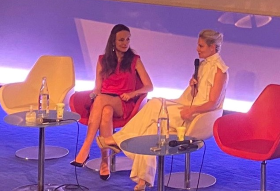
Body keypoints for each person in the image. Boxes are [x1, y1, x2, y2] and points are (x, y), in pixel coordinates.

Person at [97, 29, 228, 191]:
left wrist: (192, 110)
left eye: (201, 46)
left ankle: (117, 140)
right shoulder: (202, 65)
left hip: (198, 116)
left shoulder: (220, 70)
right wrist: (193, 87)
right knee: (152, 129)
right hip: (187, 107)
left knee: (155, 104)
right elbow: (196, 96)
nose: (197, 49)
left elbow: (213, 103)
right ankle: (143, 180)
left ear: (212, 47)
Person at [71, 24, 153, 181]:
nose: (125, 43)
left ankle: (86, 148)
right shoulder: (103, 60)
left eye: (128, 39)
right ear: (113, 41)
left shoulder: (134, 60)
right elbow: (98, 87)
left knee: (102, 101)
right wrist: (93, 96)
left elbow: (149, 86)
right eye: (121, 40)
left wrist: (132, 93)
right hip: (104, 101)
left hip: (124, 103)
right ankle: (105, 162)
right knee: (106, 110)